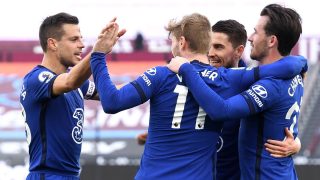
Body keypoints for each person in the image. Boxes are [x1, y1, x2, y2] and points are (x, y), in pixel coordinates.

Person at [90, 13, 305, 180]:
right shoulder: (230, 79)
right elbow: (287, 66)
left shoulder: (160, 74)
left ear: (182, 42)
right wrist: (303, 62)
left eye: (172, 41)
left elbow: (112, 102)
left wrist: (98, 55)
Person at [167, 4, 304, 180]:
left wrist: (186, 70)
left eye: (256, 32)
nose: (251, 38)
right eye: (209, 46)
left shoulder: (260, 85)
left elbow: (221, 111)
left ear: (271, 41)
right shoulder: (290, 75)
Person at [19, 12, 125, 180]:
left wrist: (154, 81)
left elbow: (114, 92)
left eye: (81, 39)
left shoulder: (78, 84)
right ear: (53, 44)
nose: (82, 45)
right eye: (74, 39)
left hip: (71, 176)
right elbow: (69, 81)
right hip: (47, 176)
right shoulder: (36, 79)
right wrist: (98, 52)